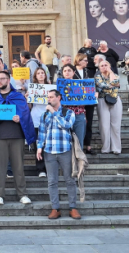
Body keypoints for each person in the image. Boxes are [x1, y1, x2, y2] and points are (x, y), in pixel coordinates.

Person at [0, 70, 36, 205]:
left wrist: (20, 118)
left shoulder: (18, 96)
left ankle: (22, 194)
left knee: (18, 167)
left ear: (8, 80)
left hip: (16, 136)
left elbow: (26, 114)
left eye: (2, 79)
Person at [37, 89, 81, 220]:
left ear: (59, 98)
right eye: (48, 97)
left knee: (70, 180)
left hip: (65, 150)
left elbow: (66, 125)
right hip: (49, 151)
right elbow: (42, 132)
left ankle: (73, 207)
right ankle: (55, 208)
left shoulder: (68, 112)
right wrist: (39, 147)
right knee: (52, 181)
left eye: (51, 97)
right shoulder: (44, 115)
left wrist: (54, 112)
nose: (49, 99)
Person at [94, 61, 122, 154]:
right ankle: (106, 148)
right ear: (99, 68)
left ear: (110, 66)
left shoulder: (115, 75)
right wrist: (113, 85)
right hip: (102, 100)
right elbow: (102, 85)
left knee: (116, 126)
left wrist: (110, 73)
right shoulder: (97, 77)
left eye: (106, 65)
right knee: (104, 126)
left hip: (115, 100)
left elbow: (116, 82)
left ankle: (116, 148)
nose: (104, 67)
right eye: (102, 65)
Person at [60, 64, 87, 152]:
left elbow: (86, 98)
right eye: (65, 71)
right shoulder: (58, 86)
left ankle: (79, 163)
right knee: (64, 141)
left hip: (78, 114)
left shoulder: (81, 84)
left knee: (79, 140)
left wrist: (93, 95)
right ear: (62, 73)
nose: (67, 72)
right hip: (64, 115)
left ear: (73, 72)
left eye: (69, 70)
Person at [29, 67, 49, 177]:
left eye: (42, 73)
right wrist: (28, 99)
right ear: (35, 76)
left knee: (49, 144)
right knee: (38, 145)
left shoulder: (51, 87)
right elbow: (30, 106)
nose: (41, 75)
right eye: (38, 73)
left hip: (49, 119)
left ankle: (49, 167)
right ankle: (40, 169)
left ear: (45, 75)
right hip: (36, 118)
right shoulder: (32, 88)